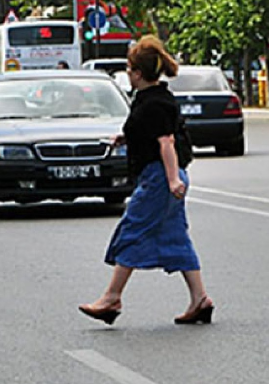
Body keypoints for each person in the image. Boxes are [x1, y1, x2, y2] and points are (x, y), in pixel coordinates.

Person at [79, 35, 215, 324]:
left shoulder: (152, 104)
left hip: (159, 178)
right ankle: (200, 299)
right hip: (165, 176)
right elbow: (155, 134)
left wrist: (171, 181)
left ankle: (112, 297)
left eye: (129, 69)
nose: (128, 73)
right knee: (175, 235)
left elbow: (165, 142)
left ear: (138, 73)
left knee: (132, 229)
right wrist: (126, 137)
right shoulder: (156, 98)